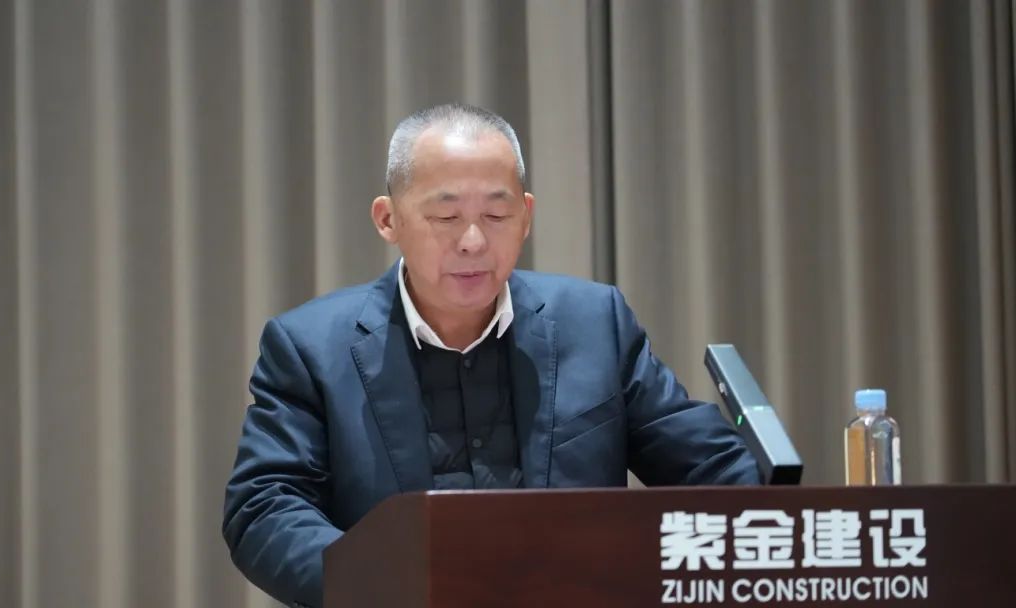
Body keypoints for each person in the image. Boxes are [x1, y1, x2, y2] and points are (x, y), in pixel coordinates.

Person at [222, 103, 760, 607]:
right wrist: (385, 583)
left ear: (526, 216)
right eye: (446, 217)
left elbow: (710, 469)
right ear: (388, 220)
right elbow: (266, 507)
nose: (474, 241)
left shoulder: (595, 324)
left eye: (497, 214)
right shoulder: (312, 347)